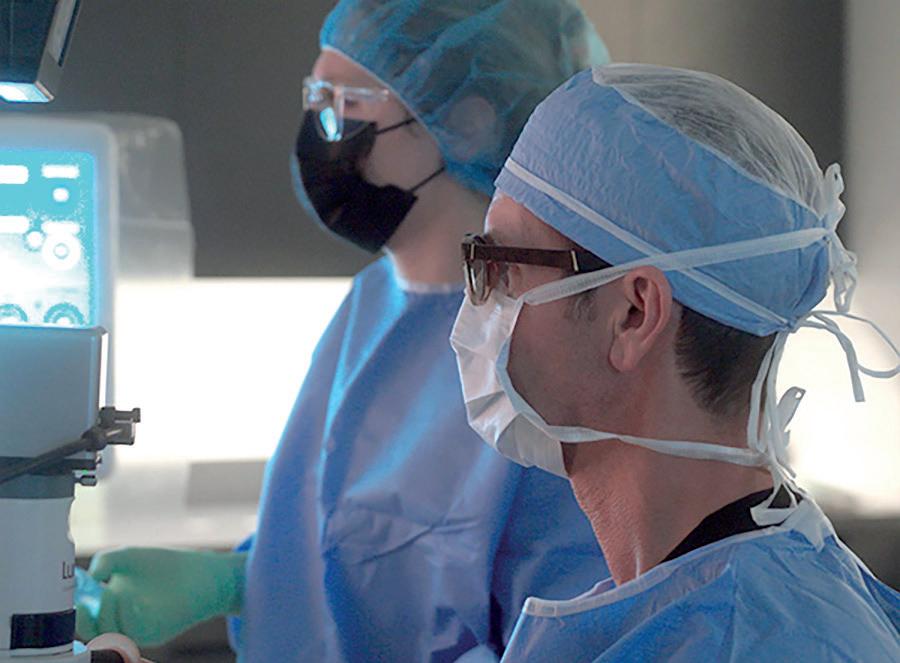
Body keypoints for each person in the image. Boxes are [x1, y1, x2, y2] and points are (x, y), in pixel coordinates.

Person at [76, 2, 612, 661]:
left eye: (344, 104)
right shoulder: (371, 302)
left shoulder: (545, 349)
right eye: (315, 97)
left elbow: (563, 622)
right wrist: (235, 581)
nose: (319, 130)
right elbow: (348, 550)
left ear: (467, 124)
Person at [450, 63, 900, 660]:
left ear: (634, 315)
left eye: (503, 265)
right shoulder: (703, 603)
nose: (480, 298)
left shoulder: (768, 644)